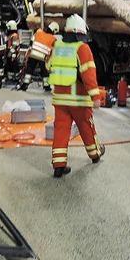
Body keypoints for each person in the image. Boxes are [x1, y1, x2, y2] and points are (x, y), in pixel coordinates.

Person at [48, 14, 104, 178]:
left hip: (59, 100)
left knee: (61, 131)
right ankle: (95, 155)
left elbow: (48, 65)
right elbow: (88, 75)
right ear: (80, 32)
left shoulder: (57, 46)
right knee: (87, 128)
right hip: (79, 101)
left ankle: (58, 166)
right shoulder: (82, 48)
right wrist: (95, 97)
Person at [20, 22, 58, 91]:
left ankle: (25, 85)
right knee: (44, 72)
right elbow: (52, 51)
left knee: (29, 70)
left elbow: (31, 42)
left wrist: (28, 53)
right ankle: (46, 86)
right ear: (54, 30)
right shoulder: (53, 39)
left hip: (33, 53)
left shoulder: (38, 32)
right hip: (42, 56)